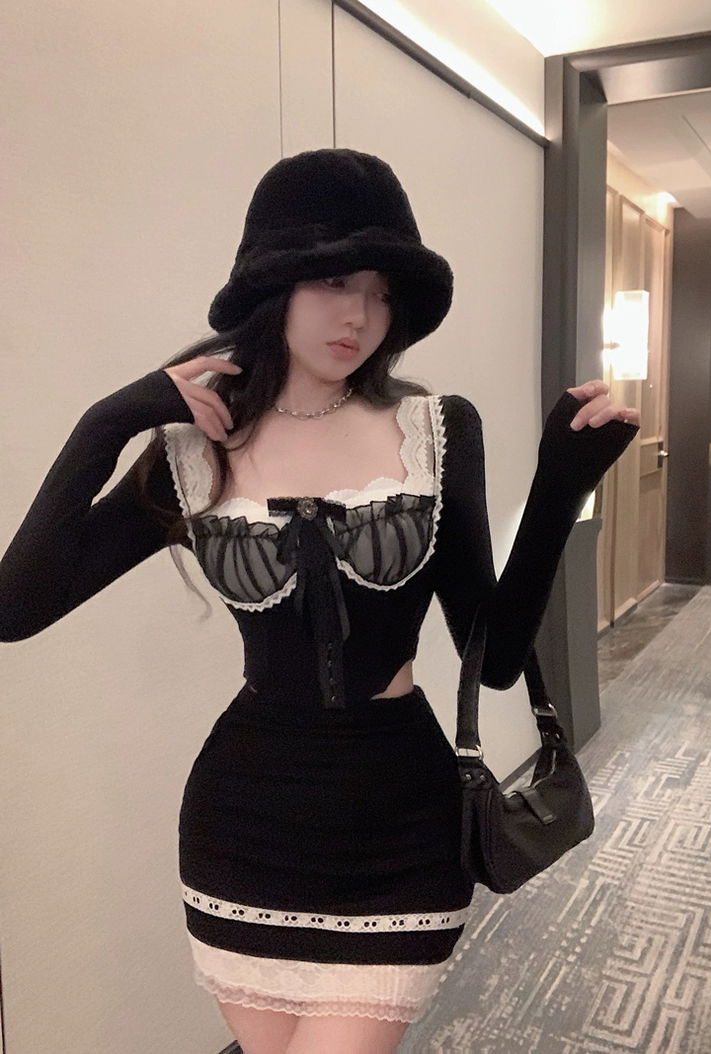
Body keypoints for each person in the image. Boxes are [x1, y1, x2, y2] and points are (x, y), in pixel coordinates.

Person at [0, 148, 640, 1054]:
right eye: (335, 281)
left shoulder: (435, 430)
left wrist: (560, 488)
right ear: (275, 283)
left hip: (402, 826)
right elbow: (16, 608)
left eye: (381, 291)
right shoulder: (194, 453)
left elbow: (493, 658)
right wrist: (109, 419)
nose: (360, 315)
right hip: (244, 826)